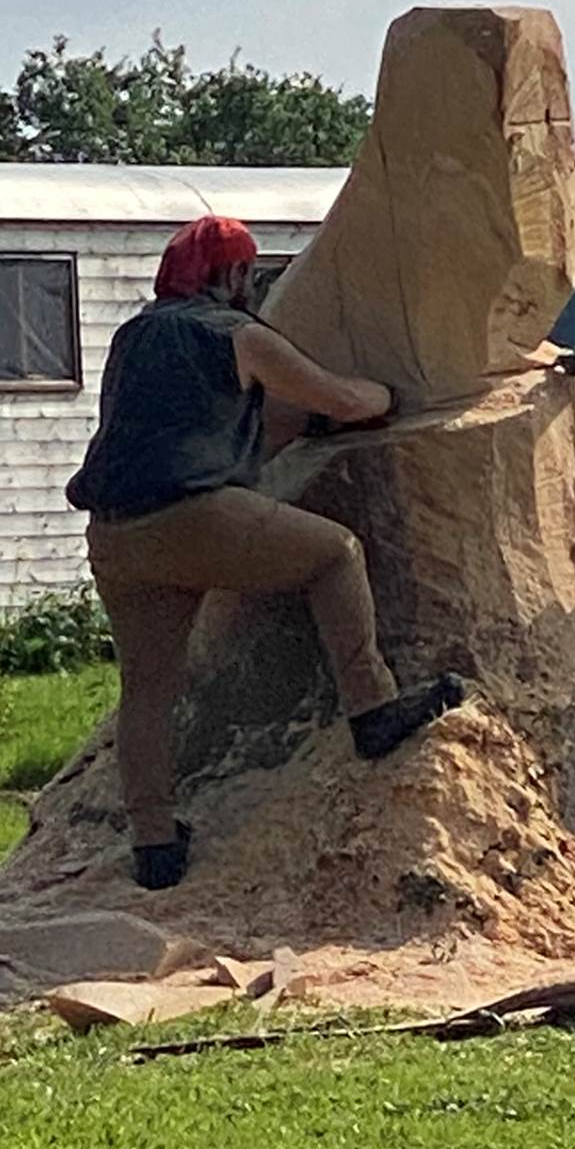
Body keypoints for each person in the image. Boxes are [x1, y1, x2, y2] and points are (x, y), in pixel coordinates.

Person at [67, 215, 465, 891]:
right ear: (229, 276)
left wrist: (299, 425)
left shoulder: (135, 336)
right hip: (191, 517)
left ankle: (155, 846)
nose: (252, 283)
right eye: (246, 272)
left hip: (114, 534)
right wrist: (390, 397)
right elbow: (340, 398)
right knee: (335, 553)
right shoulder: (237, 334)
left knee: (149, 691)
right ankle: (373, 710)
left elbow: (213, 417)